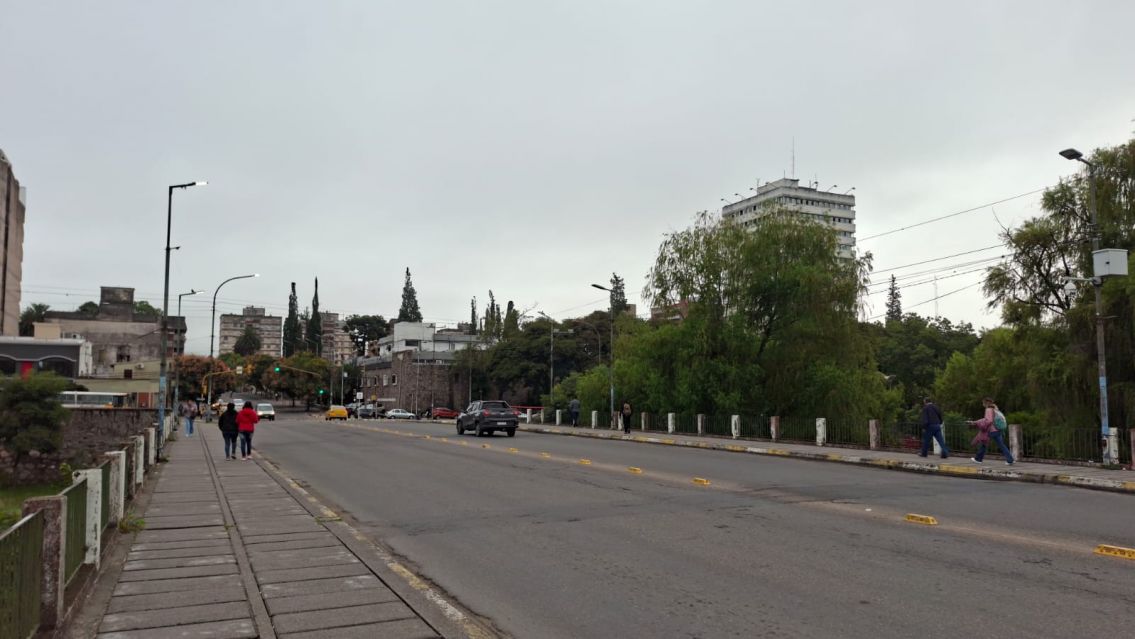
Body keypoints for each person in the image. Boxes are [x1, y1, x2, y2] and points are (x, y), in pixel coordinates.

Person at [969, 397, 1015, 465]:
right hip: (997, 430)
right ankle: (1010, 460)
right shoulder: (995, 409)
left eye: (983, 403)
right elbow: (987, 419)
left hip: (991, 430)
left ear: (986, 403)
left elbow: (989, 420)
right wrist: (976, 422)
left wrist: (982, 425)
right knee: (1001, 445)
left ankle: (978, 459)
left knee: (983, 444)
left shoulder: (988, 410)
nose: (982, 404)